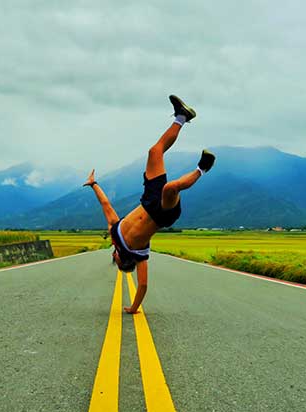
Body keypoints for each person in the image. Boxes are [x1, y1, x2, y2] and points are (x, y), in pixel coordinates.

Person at [83, 95, 215, 314]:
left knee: (154, 152)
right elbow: (143, 285)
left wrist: (93, 184)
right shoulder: (139, 253)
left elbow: (106, 206)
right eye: (114, 259)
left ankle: (182, 116)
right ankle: (202, 168)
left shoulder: (114, 232)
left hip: (148, 199)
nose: (112, 256)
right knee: (170, 188)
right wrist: (133, 308)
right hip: (163, 214)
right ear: (121, 260)